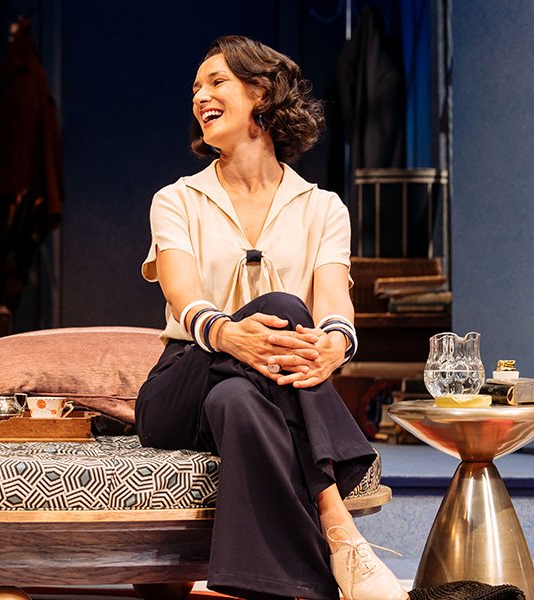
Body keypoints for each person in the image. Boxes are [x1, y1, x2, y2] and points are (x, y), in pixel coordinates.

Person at [135, 36, 409, 600]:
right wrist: (228, 334)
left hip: (247, 389)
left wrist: (337, 342)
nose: (200, 97)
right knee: (285, 307)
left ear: (261, 93)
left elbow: (334, 299)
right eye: (195, 89)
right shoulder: (176, 200)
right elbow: (182, 294)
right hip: (180, 383)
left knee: (237, 401)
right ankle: (339, 525)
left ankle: (276, 587)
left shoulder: (323, 207)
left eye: (216, 82)